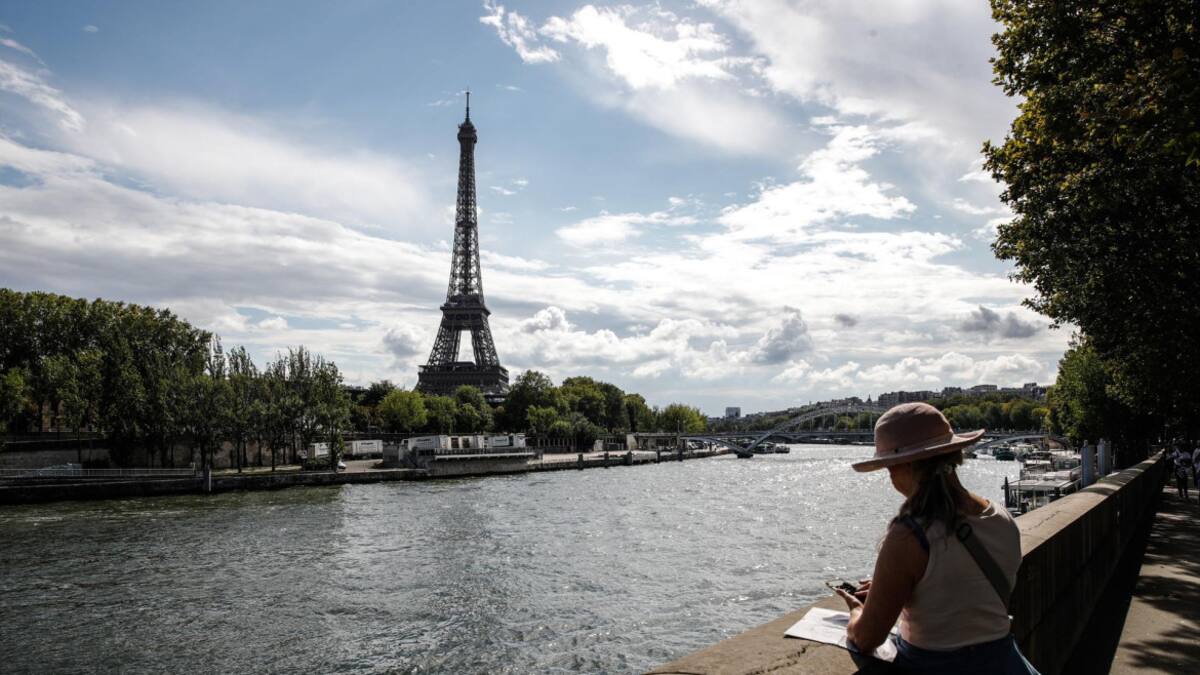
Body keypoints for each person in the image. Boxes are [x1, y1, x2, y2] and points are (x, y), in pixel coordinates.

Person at [835, 402, 1039, 674]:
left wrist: (856, 610)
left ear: (906, 466)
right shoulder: (1001, 517)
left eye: (888, 467)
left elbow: (866, 639)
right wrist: (893, 586)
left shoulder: (909, 536)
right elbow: (965, 594)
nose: (889, 476)